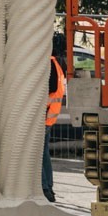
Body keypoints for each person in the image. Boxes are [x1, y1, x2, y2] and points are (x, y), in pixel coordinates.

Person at [41, 31, 66, 204]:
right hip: (50, 115)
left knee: (39, 154)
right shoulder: (58, 63)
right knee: (44, 153)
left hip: (44, 114)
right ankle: (48, 187)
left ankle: (45, 188)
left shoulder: (49, 63)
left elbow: (47, 91)